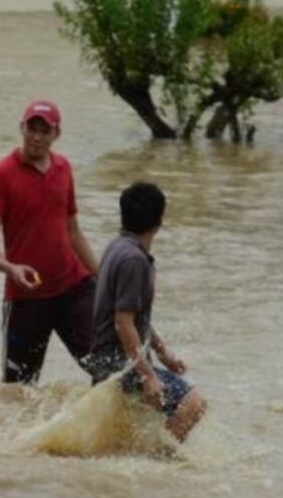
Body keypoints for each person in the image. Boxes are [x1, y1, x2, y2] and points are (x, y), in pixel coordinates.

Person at [0, 100, 100, 384]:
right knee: (18, 389)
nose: (36, 136)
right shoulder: (0, 175)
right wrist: (10, 268)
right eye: (31, 128)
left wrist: (103, 277)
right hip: (27, 299)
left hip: (74, 289)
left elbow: (74, 232)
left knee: (107, 368)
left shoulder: (63, 168)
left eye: (44, 130)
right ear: (21, 127)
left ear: (56, 134)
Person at [85, 182, 206, 442]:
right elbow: (123, 322)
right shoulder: (134, 260)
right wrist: (147, 375)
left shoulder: (117, 247)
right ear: (159, 221)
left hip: (106, 358)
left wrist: (164, 355)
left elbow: (135, 316)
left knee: (124, 433)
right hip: (117, 362)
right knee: (193, 404)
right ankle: (157, 466)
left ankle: (138, 469)